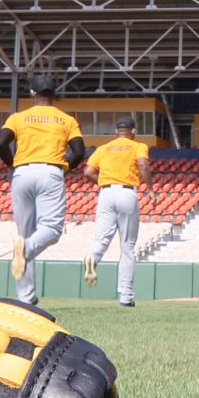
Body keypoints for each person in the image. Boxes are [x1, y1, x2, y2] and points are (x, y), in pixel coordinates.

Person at [0, 75, 86, 307]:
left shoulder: (18, 118)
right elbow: (79, 151)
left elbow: (0, 143)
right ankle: (25, 250)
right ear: (54, 95)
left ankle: (26, 298)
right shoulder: (66, 120)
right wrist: (66, 168)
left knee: (24, 233)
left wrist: (11, 164)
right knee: (52, 229)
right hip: (50, 171)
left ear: (32, 94)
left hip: (22, 172)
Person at [83, 115, 150, 307]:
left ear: (116, 131)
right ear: (133, 131)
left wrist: (104, 183)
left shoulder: (103, 148)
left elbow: (87, 172)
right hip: (127, 192)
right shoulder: (138, 146)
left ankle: (92, 257)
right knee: (127, 247)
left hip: (106, 193)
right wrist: (151, 189)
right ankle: (126, 296)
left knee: (101, 239)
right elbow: (143, 165)